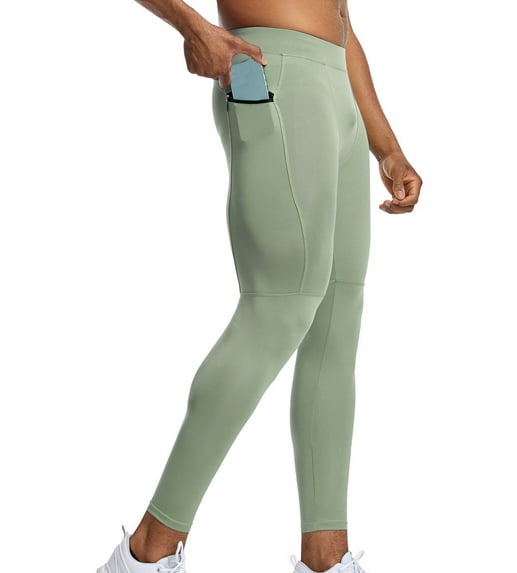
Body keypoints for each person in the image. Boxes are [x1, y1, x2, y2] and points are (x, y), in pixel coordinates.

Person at [97, 0, 423, 572]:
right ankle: (146, 554)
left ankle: (327, 560)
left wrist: (388, 147)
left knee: (336, 321)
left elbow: (343, 24)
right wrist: (193, 26)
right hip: (274, 74)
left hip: (337, 90)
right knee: (277, 309)